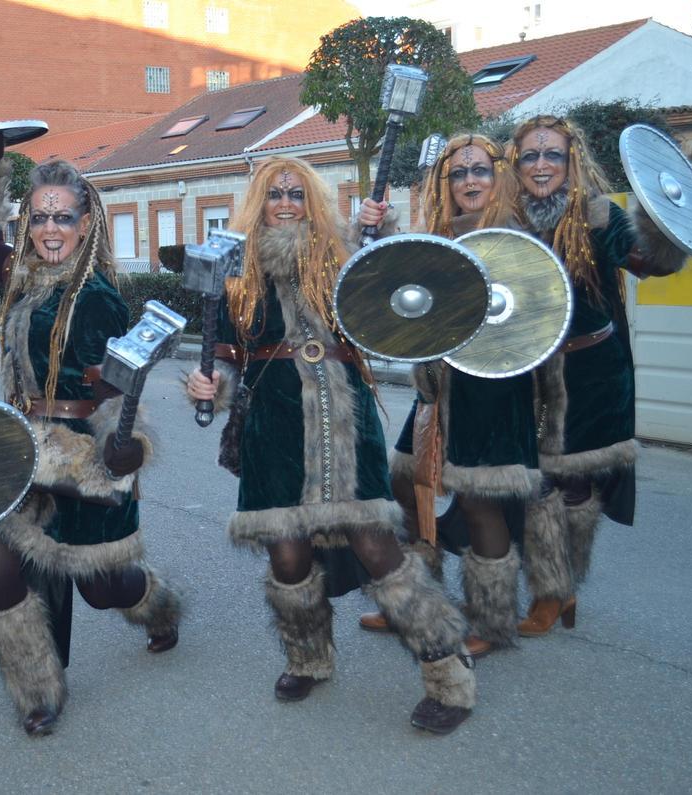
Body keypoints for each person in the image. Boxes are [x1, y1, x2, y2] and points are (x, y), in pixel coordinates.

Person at [184, 156, 476, 734]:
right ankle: (308, 658)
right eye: (275, 194)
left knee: (376, 546)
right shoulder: (234, 266)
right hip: (273, 423)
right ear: (258, 203)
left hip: (344, 415)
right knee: (287, 555)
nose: (286, 203)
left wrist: (379, 230)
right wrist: (209, 381)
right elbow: (224, 350)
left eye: (296, 193)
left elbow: (391, 293)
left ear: (312, 201)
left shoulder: (343, 252)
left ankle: (449, 670)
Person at [0, 136, 181, 737]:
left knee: (103, 586)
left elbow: (116, 394)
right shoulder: (23, 278)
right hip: (22, 446)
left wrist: (123, 448)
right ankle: (38, 685)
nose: (50, 230)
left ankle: (157, 605)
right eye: (39, 218)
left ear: (86, 225)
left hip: (86, 456)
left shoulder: (100, 299)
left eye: (62, 218)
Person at [355, 134, 537, 658]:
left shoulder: (516, 235)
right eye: (458, 173)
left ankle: (492, 622)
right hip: (438, 388)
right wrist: (383, 230)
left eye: (479, 170)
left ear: (498, 176)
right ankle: (421, 600)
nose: (470, 181)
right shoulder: (441, 234)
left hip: (493, 391)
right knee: (404, 481)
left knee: (478, 500)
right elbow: (404, 284)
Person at [510, 116, 686, 636]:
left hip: (592, 373)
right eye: (530, 156)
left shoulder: (598, 214)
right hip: (528, 371)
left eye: (553, 155)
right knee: (533, 481)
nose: (542, 165)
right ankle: (552, 584)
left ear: (573, 161)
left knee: (572, 481)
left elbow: (651, 263)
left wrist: (663, 219)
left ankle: (556, 590)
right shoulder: (507, 217)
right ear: (516, 166)